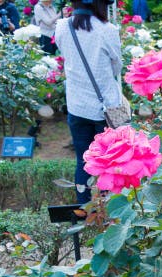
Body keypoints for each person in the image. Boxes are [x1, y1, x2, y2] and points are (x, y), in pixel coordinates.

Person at [54, 0, 122, 204]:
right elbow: (116, 65)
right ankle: (110, 209)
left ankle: (84, 209)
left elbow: (65, 54)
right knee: (112, 162)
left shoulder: (62, 27)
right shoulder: (107, 30)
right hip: (108, 107)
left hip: (77, 105)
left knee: (83, 160)